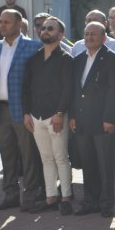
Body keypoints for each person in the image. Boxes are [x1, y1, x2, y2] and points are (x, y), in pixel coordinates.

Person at [0, 9, 44, 212]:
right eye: (0, 21)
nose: (2, 25)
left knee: (28, 155)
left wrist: (33, 110)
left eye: (7, 22)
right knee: (7, 156)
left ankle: (31, 196)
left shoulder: (34, 46)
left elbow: (37, 82)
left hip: (23, 110)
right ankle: (10, 195)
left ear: (19, 24)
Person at [22, 16, 74, 215]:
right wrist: (26, 113)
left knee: (61, 157)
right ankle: (50, 197)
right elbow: (26, 88)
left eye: (50, 28)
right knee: (46, 159)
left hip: (56, 117)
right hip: (36, 117)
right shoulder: (33, 59)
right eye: (43, 28)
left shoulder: (66, 58)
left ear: (61, 34)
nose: (45, 31)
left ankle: (66, 198)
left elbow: (68, 89)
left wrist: (60, 113)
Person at [70, 21, 115, 218]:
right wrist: (73, 116)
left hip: (102, 121)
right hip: (82, 121)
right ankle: (90, 201)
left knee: (105, 165)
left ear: (103, 37)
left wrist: (109, 118)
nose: (89, 37)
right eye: (87, 34)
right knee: (88, 163)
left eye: (94, 34)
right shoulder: (78, 59)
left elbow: (114, 91)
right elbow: (75, 90)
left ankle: (106, 203)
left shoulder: (112, 59)